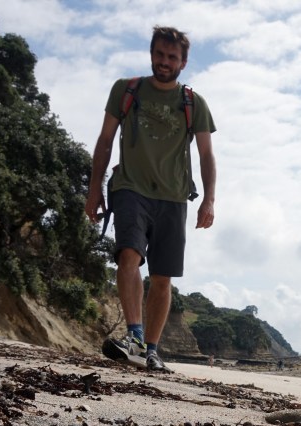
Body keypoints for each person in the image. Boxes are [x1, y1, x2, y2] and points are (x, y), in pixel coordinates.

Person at [84, 25, 217, 372]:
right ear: (151, 54)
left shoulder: (193, 103)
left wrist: (209, 200)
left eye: (172, 57)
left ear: (183, 62)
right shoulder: (126, 90)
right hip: (130, 187)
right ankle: (135, 335)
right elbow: (105, 140)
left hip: (174, 196)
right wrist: (94, 188)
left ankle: (151, 350)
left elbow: (206, 154)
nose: (164, 61)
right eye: (159, 54)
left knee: (161, 276)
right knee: (128, 254)